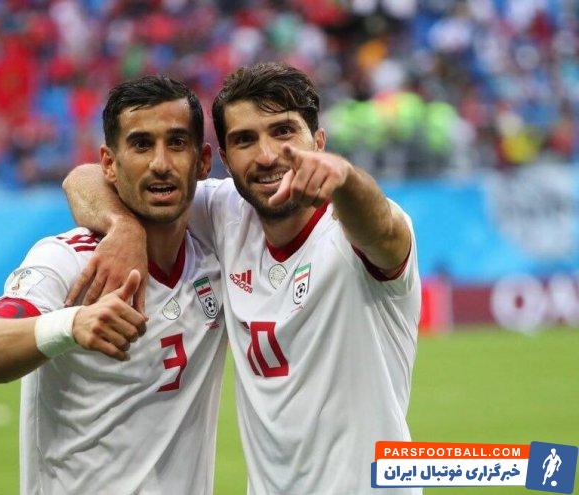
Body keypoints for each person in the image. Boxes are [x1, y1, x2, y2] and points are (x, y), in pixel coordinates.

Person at [63, 62, 422, 495]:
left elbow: (382, 229)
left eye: (283, 132)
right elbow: (84, 178)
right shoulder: (224, 213)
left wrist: (344, 179)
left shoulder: (351, 235)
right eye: (245, 140)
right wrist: (123, 227)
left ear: (318, 142)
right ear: (225, 160)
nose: (267, 155)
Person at [0, 75, 227, 494]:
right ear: (109, 164)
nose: (160, 163)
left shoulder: (220, 240)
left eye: (177, 143)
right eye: (141, 145)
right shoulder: (69, 259)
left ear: (203, 160)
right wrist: (71, 324)